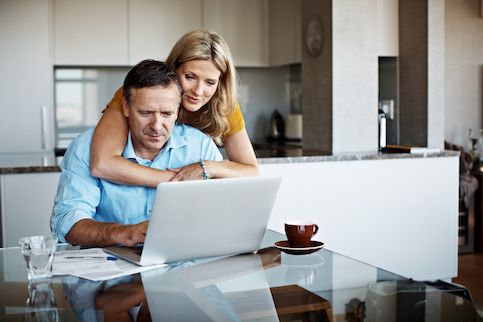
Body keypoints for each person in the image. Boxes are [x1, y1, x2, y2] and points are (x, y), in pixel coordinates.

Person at [51, 60, 222, 246]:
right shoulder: (86, 147)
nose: (156, 126)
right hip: (111, 267)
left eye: (166, 114)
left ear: (178, 111)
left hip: (183, 264)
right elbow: (67, 223)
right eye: (146, 113)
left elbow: (225, 214)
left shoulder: (201, 147)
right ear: (125, 107)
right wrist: (122, 233)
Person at [90, 29, 258, 187]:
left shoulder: (223, 102)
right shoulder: (141, 91)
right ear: (174, 68)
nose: (198, 91)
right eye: (190, 77)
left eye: (210, 82)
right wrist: (179, 181)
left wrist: (207, 168)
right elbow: (102, 164)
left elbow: (251, 170)